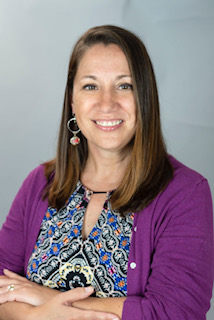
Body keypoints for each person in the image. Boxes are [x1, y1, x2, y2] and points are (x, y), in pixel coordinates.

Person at [0, 25, 213, 320]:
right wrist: (36, 315)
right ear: (73, 101)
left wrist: (47, 301)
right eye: (90, 86)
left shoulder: (184, 192)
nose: (107, 103)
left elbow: (176, 313)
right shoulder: (40, 183)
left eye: (124, 85)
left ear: (145, 98)